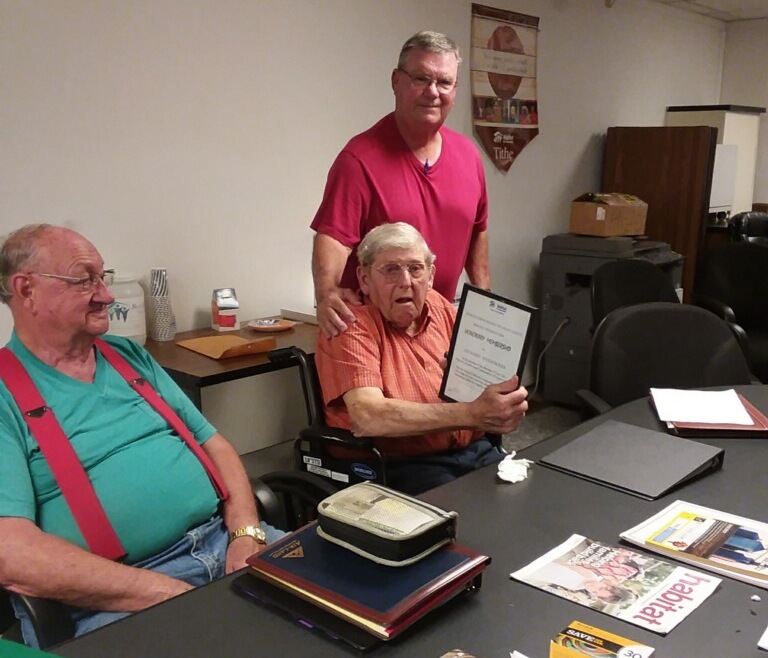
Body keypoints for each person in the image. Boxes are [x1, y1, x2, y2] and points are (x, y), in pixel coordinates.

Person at [0, 224, 284, 646]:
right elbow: (12, 553)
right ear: (26, 290)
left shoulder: (129, 356)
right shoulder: (5, 393)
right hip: (115, 598)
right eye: (85, 280)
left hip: (225, 543)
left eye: (103, 277)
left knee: (350, 610)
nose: (106, 296)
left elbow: (214, 444)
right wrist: (170, 594)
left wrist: (246, 533)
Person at [314, 223, 528, 494]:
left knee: (531, 499)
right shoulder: (349, 324)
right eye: (391, 270)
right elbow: (368, 416)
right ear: (364, 279)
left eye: (416, 269)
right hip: (397, 467)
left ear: (430, 276)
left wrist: (504, 403)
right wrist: (472, 413)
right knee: (474, 514)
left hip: (474, 450)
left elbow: (482, 380)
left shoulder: (439, 307)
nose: (406, 282)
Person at [311, 31, 491, 338]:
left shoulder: (469, 156)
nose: (433, 92)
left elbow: (477, 232)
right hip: (373, 336)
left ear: (455, 89)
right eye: (421, 78)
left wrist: (485, 309)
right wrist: (326, 293)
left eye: (444, 82)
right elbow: (333, 238)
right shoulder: (359, 159)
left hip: (435, 332)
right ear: (396, 81)